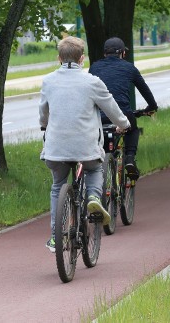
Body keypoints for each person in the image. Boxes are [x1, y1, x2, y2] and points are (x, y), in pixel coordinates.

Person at [39, 36, 130, 253]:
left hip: (56, 147)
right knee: (94, 167)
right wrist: (124, 125)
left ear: (59, 58)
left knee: (57, 185)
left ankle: (54, 237)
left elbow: (44, 112)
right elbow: (112, 108)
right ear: (82, 58)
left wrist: (44, 125)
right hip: (85, 145)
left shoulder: (48, 81)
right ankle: (92, 198)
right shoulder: (92, 81)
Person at [89, 37, 158, 180]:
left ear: (104, 54)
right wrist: (151, 107)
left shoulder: (94, 67)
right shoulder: (129, 68)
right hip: (122, 115)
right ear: (122, 53)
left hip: (98, 117)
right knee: (132, 129)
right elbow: (146, 92)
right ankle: (130, 159)